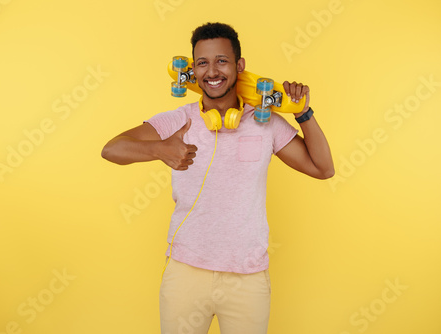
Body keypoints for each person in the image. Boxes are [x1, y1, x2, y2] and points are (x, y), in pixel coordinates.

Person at [102, 22, 334, 334]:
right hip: (186, 272)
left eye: (222, 61)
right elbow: (111, 149)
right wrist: (160, 149)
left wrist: (304, 113)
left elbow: (323, 169)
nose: (213, 71)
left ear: (239, 66)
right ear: (193, 71)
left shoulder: (266, 123)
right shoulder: (179, 120)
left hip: (247, 278)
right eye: (203, 63)